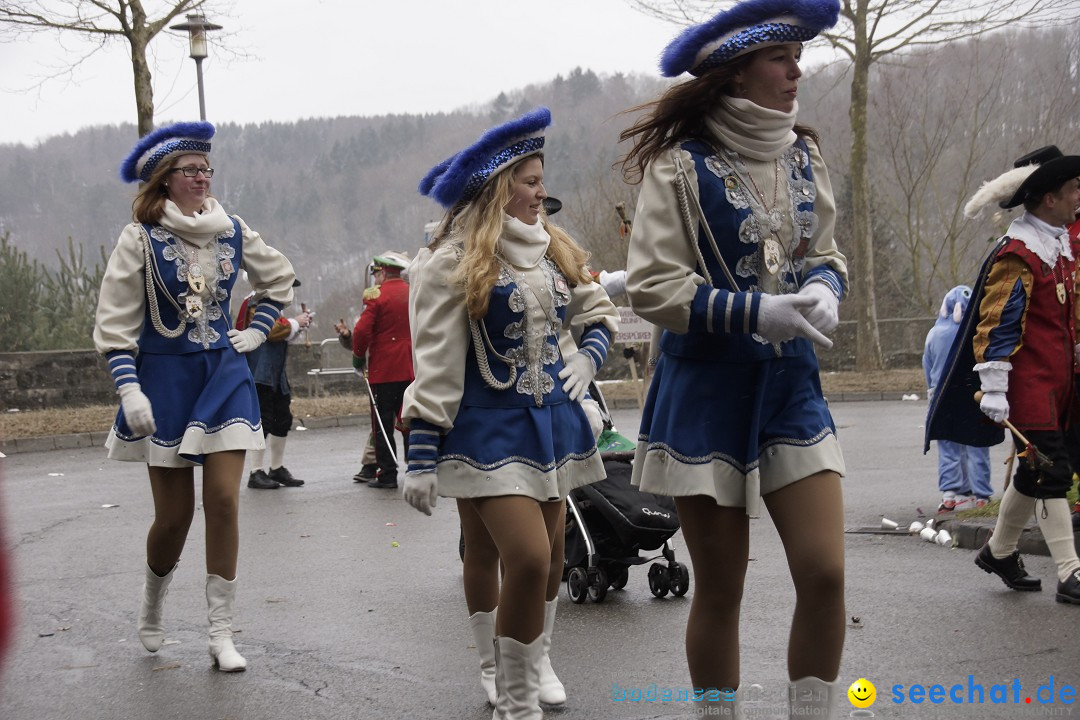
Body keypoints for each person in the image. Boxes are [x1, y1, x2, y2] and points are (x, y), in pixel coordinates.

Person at [620, 1, 848, 716]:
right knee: (720, 590)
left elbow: (829, 249)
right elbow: (654, 285)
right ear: (737, 69)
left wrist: (823, 285)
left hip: (791, 391)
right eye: (781, 57)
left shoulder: (804, 155)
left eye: (797, 56)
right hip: (705, 396)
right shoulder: (678, 168)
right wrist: (756, 312)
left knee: (826, 574)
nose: (796, 70)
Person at [401, 107, 619, 719]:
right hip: (483, 426)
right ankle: (503, 683)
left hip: (552, 421)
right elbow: (436, 363)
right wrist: (419, 454)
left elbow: (597, 311)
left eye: (541, 178)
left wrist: (588, 364)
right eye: (528, 180)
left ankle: (533, 657)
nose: (541, 191)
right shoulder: (452, 262)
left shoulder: (551, 249)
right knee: (512, 554)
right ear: (500, 188)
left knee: (547, 554)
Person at [94, 121, 296, 671]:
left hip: (225, 374)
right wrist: (129, 388)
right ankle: (153, 602)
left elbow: (278, 278)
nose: (203, 177)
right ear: (166, 179)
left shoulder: (231, 228)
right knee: (174, 517)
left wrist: (258, 329)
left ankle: (222, 632)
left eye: (207, 169)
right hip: (164, 381)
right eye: (191, 170)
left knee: (226, 501)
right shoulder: (139, 237)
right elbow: (114, 322)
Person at [936, 145, 1080, 605]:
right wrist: (994, 386)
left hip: (1061, 384)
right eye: (1074, 189)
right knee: (1052, 472)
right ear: (1049, 199)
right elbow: (996, 323)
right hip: (1029, 387)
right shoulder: (1018, 254)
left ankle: (998, 551)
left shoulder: (1058, 246)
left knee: (1034, 471)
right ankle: (1070, 571)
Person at [236, 279, 311, 489]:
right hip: (260, 373)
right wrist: (295, 322)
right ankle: (255, 471)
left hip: (275, 374)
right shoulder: (254, 303)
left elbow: (281, 335)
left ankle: (276, 468)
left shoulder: (272, 307)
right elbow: (269, 331)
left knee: (282, 419)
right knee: (263, 421)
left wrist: (297, 325)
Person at [923, 285, 992, 512]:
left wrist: (932, 389)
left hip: (942, 396)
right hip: (973, 395)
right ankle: (981, 494)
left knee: (949, 446)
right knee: (976, 445)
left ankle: (951, 493)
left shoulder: (935, 334)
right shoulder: (976, 333)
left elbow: (928, 365)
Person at [349, 252, 413, 489]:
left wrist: (358, 358)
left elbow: (362, 331)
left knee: (382, 424)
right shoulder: (412, 292)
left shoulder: (376, 295)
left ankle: (387, 473)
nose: (375, 278)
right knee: (409, 419)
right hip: (410, 367)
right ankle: (416, 468)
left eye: (376, 273)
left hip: (384, 369)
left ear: (383, 272)